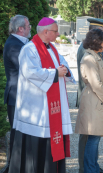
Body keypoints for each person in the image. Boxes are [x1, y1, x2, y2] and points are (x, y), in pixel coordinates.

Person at [9, 17, 75, 173]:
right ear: (46, 32)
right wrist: (55, 72)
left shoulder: (52, 48)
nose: (58, 34)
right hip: (37, 111)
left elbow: (63, 65)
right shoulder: (29, 49)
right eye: (55, 31)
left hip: (50, 110)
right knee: (37, 149)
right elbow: (30, 72)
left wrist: (65, 70)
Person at [75, 29, 103, 173]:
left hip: (97, 100)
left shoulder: (96, 56)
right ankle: (90, 169)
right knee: (93, 138)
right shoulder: (89, 58)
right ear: (97, 42)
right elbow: (96, 84)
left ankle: (93, 167)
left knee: (95, 138)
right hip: (94, 100)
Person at [3, 15, 31, 172]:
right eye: (28, 26)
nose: (29, 29)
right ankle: (13, 168)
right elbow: (26, 70)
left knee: (21, 133)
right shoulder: (14, 45)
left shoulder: (20, 43)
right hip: (16, 96)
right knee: (18, 134)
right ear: (21, 29)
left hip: (21, 96)